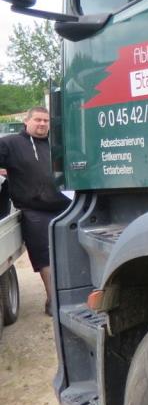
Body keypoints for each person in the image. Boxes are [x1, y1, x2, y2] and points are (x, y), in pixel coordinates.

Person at [0, 107, 70, 316]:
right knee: (44, 258)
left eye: (46, 121)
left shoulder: (57, 144)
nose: (42, 124)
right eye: (38, 120)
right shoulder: (10, 143)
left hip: (65, 207)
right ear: (26, 121)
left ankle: (70, 296)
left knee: (68, 253)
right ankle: (53, 302)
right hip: (34, 211)